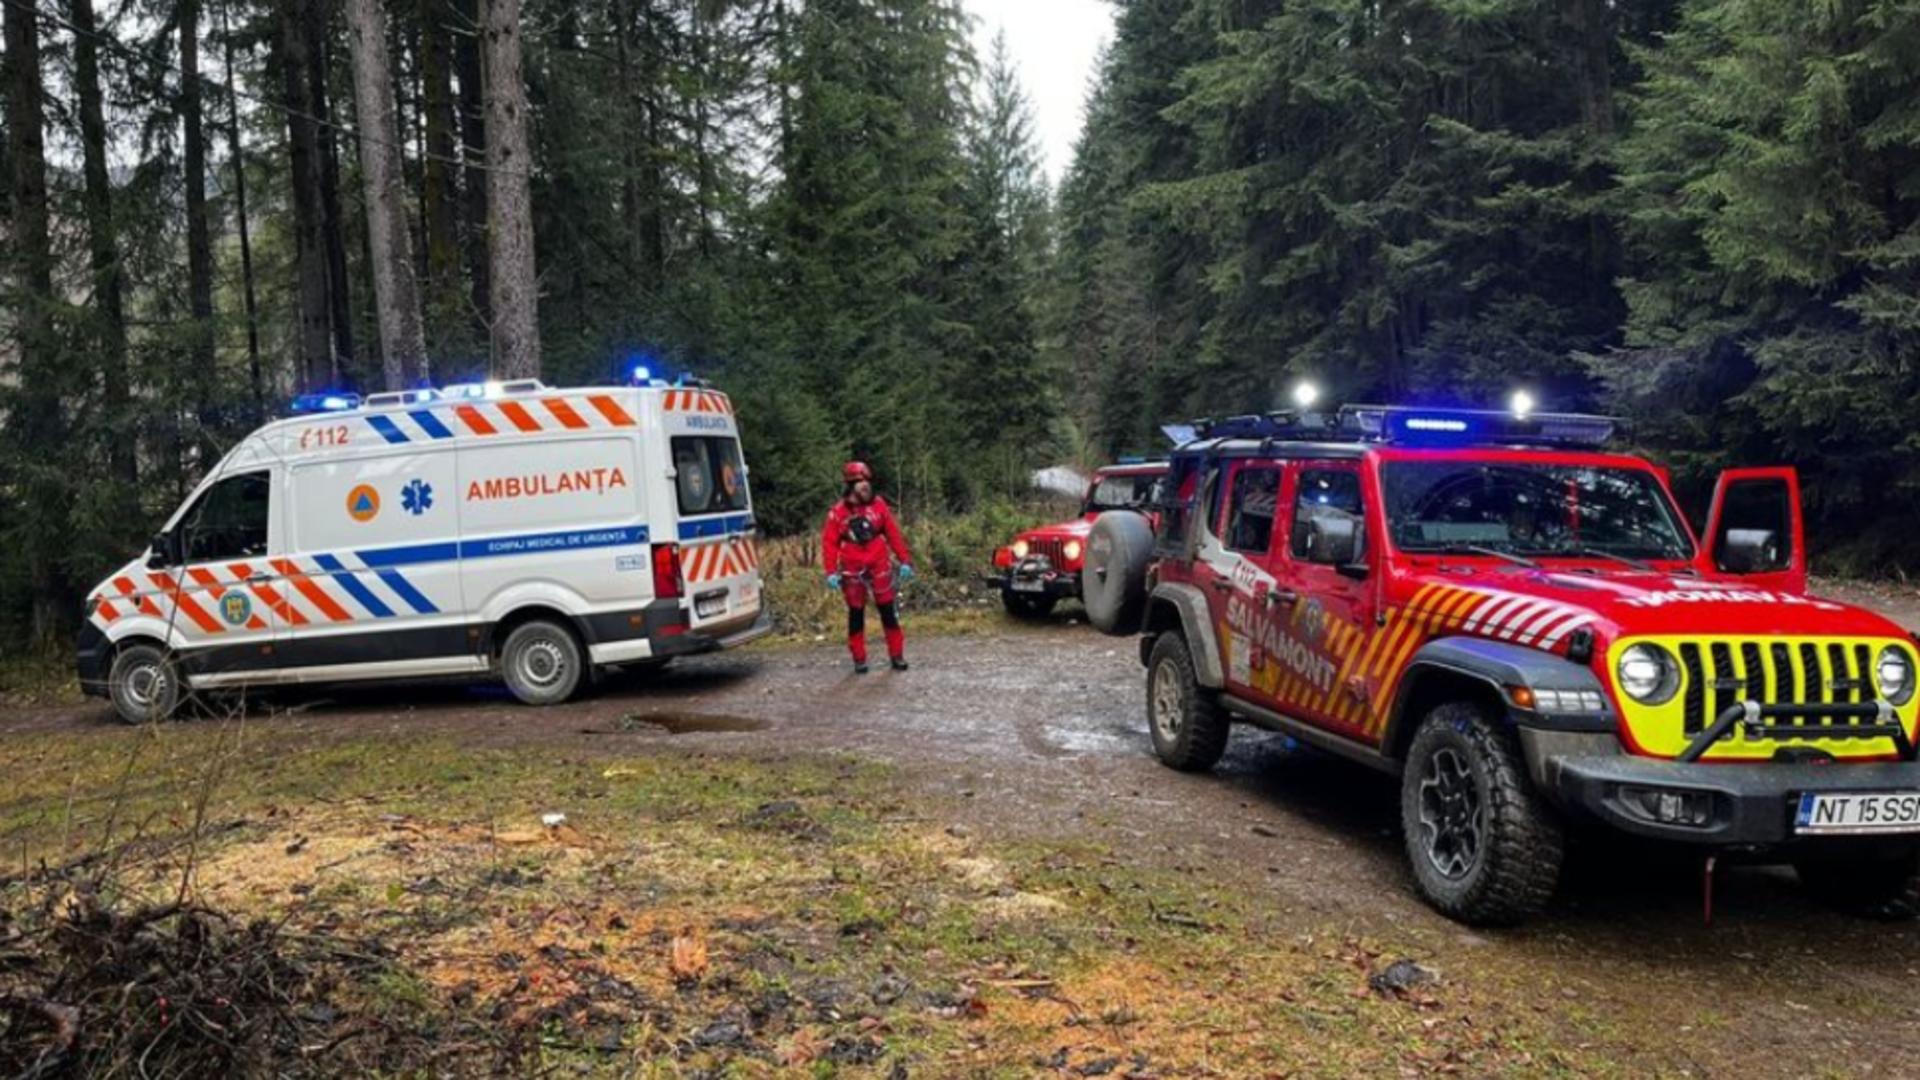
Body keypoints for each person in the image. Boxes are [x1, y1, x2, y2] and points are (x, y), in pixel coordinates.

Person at [822, 461, 914, 673]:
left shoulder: (879, 505)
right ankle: (859, 658)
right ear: (851, 485)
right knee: (856, 613)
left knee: (888, 611)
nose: (866, 486)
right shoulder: (838, 513)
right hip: (852, 567)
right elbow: (829, 543)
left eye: (867, 482)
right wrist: (830, 571)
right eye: (861, 483)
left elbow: (892, 533)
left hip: (878, 563)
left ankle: (897, 655)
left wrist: (905, 560)